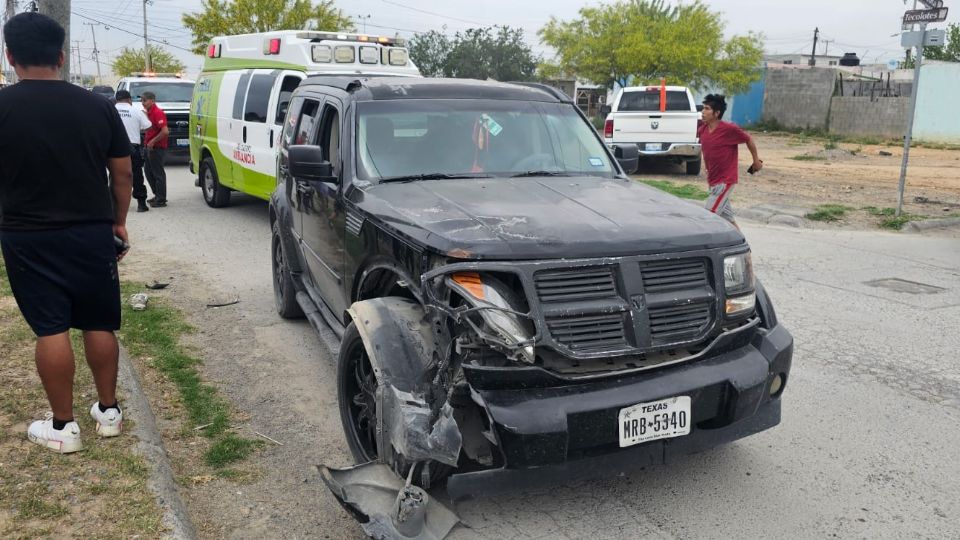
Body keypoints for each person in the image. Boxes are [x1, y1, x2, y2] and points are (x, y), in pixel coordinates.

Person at [0, 12, 132, 453]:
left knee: (51, 326)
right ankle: (109, 412)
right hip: (92, 231)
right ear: (61, 55)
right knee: (98, 320)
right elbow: (123, 172)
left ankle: (63, 427)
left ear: (10, 56)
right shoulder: (98, 106)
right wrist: (119, 221)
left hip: (26, 235)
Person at [697, 94, 763, 227]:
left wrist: (756, 160)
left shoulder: (729, 129)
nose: (702, 112)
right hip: (713, 180)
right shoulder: (702, 130)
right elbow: (708, 150)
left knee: (709, 216)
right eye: (703, 108)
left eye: (707, 109)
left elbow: (748, 139)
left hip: (725, 181)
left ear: (716, 113)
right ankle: (744, 247)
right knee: (728, 220)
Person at [115, 89, 152, 212]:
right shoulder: (136, 110)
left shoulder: (110, 110)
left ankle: (115, 204)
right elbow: (148, 126)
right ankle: (141, 204)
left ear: (117, 99)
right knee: (136, 175)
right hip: (132, 147)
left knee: (115, 176)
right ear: (129, 99)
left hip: (114, 148)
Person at [141, 90, 169, 207]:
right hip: (149, 147)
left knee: (158, 173)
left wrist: (153, 141)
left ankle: (161, 199)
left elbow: (165, 131)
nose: (143, 103)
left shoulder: (157, 112)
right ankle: (157, 195)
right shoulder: (149, 112)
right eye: (142, 101)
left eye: (145, 101)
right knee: (148, 172)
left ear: (152, 100)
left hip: (156, 148)